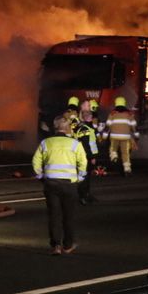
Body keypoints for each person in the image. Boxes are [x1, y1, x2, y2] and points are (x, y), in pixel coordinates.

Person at [32, 115, 87, 255]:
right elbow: (83, 162)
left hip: (51, 183)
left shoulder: (46, 143)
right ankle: (68, 246)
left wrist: (41, 176)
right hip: (69, 185)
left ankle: (56, 245)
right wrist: (79, 177)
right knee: (68, 215)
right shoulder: (75, 143)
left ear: (55, 127)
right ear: (67, 127)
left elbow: (35, 162)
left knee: (54, 215)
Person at [72, 107, 101, 204]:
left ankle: (87, 195)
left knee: (86, 177)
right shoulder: (84, 128)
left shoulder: (86, 127)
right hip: (85, 157)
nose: (93, 118)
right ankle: (83, 197)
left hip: (85, 156)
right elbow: (85, 145)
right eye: (91, 116)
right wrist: (91, 157)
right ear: (87, 117)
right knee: (84, 178)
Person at [105, 96, 139, 175]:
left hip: (114, 136)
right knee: (125, 153)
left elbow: (108, 125)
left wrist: (104, 136)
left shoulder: (112, 113)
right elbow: (134, 126)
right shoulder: (129, 114)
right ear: (124, 103)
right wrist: (137, 136)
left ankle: (114, 156)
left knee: (113, 148)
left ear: (116, 103)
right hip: (125, 137)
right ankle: (127, 168)